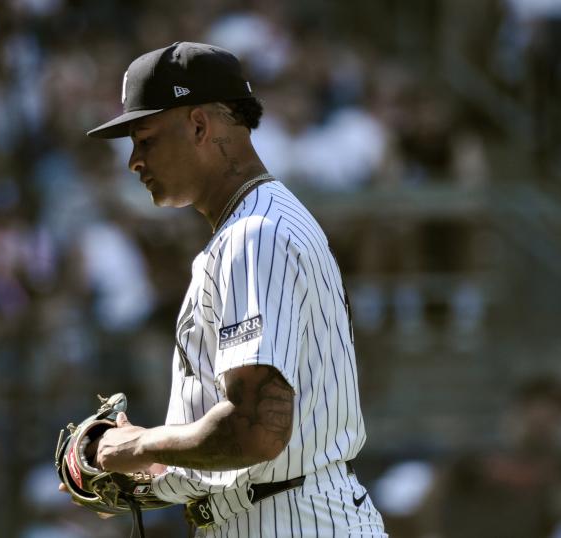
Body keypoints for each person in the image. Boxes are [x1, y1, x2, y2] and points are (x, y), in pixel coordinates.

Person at [84, 42, 387, 536]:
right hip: (281, 509)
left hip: (290, 520)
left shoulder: (255, 234)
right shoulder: (256, 224)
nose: (134, 161)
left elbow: (256, 432)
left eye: (146, 139)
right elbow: (249, 449)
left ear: (200, 126)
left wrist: (136, 447)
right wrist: (148, 479)